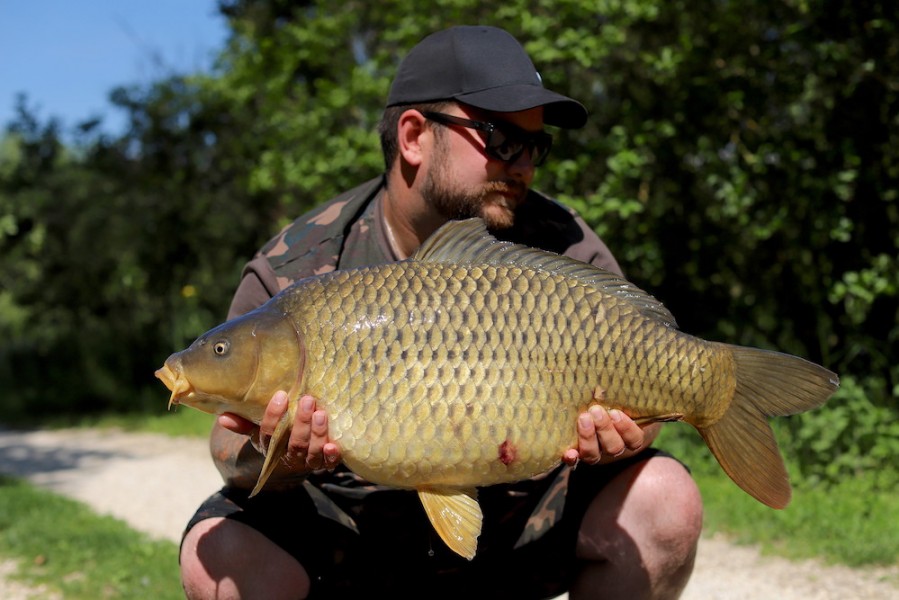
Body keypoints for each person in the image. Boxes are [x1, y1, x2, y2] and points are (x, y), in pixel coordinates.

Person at [180, 25, 703, 599]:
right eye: (501, 138)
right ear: (413, 137)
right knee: (218, 553)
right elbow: (227, 449)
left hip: (516, 527)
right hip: (353, 537)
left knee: (665, 500)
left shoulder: (564, 245)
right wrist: (281, 459)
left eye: (536, 145)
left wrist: (633, 432)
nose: (523, 164)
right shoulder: (299, 266)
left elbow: (651, 373)